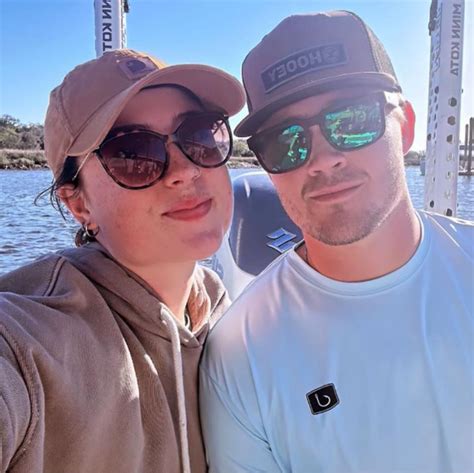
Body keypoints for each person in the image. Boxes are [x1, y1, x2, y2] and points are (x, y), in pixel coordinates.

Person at [200, 11, 473, 472]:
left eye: (351, 120)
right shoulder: (239, 354)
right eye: (285, 142)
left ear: (405, 127)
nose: (323, 159)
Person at [0, 49, 245, 473]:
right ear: (79, 205)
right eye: (133, 153)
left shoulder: (228, 312)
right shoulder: (29, 343)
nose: (185, 170)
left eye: (199, 136)